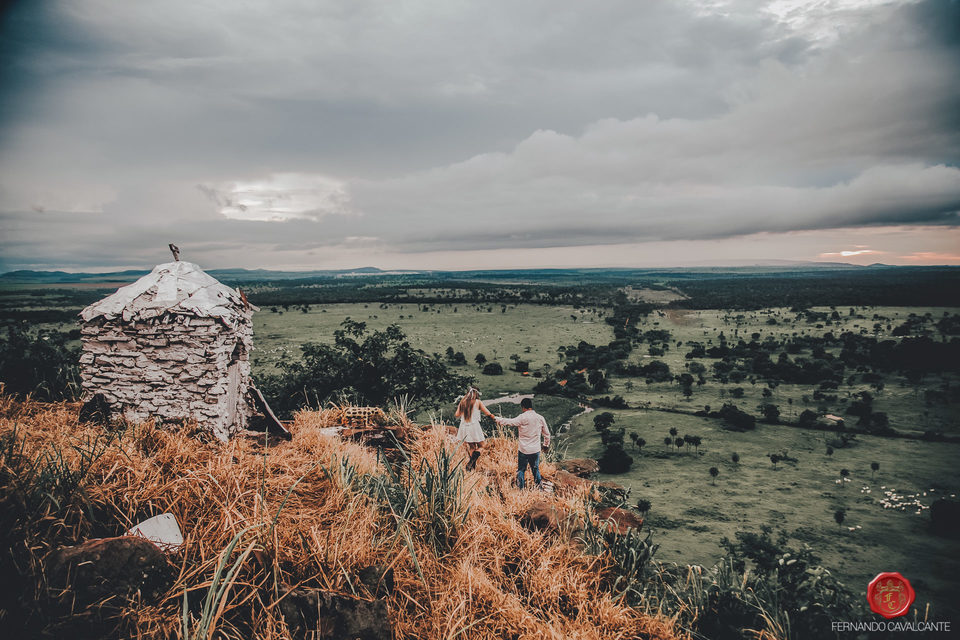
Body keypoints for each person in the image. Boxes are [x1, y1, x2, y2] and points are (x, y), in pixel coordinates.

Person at [495, 397, 551, 490]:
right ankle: (539, 488)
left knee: (521, 470)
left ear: (523, 407)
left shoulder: (522, 417)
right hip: (535, 450)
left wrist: (495, 418)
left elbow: (509, 422)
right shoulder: (540, 418)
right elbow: (547, 434)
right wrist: (546, 445)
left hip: (523, 449)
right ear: (531, 407)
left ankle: (521, 489)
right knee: (535, 469)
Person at [455, 386, 495, 471]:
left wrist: (463, 409)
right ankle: (472, 461)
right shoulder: (478, 402)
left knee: (472, 447)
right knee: (482, 446)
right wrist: (495, 418)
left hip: (464, 427)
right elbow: (488, 413)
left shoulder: (462, 402)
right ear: (476, 393)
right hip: (474, 426)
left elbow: (457, 414)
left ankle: (471, 467)